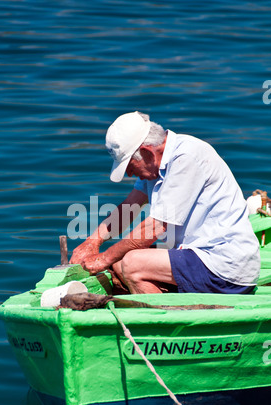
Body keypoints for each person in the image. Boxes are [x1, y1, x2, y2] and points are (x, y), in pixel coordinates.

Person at [69, 111, 260, 295]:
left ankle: (166, 321)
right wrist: (93, 241)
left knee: (131, 264)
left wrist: (103, 258)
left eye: (129, 165)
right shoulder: (154, 164)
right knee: (119, 263)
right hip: (198, 255)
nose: (128, 173)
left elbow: (155, 227)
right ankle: (164, 302)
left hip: (226, 266)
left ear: (146, 152)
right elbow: (129, 207)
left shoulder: (186, 158)